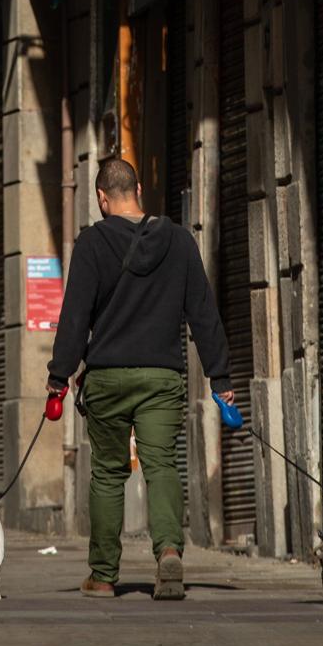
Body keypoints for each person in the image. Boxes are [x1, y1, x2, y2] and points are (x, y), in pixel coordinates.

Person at [46, 158, 234, 600]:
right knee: (161, 465)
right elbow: (204, 314)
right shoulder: (180, 242)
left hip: (108, 378)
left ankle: (104, 575)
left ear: (101, 198)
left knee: (109, 474)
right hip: (161, 377)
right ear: (139, 189)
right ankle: (169, 551)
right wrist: (219, 377)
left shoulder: (91, 243)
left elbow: (74, 319)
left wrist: (59, 377)